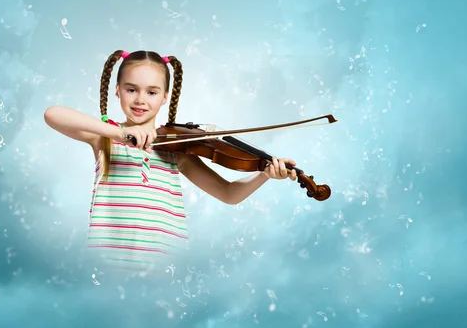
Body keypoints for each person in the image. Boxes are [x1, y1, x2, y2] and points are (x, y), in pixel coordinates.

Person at [44, 50, 297, 275]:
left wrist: (264, 174)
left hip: (164, 271)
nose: (140, 99)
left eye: (151, 92)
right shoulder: (105, 137)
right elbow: (53, 114)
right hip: (108, 266)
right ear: (117, 90)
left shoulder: (177, 150)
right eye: (131, 89)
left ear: (165, 96)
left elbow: (228, 194)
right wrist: (120, 133)